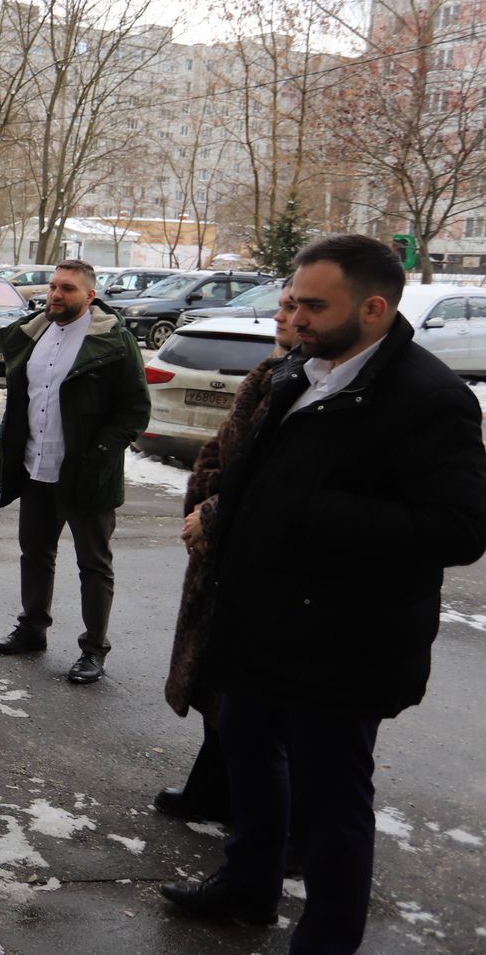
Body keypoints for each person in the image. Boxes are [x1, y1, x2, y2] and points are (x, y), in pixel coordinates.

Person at [161, 234, 486, 953]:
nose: (294, 317)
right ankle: (248, 885)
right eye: (294, 301)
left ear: (373, 308)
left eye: (314, 304)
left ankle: (327, 936)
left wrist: (315, 508)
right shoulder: (299, 373)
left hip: (346, 645)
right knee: (246, 762)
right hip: (257, 627)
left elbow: (461, 528)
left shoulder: (431, 399)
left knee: (334, 802)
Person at [155, 281, 297, 823]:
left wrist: (213, 512)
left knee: (255, 699)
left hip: (260, 558)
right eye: (284, 305)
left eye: (302, 306)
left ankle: (285, 828)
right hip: (226, 554)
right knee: (220, 680)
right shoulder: (273, 370)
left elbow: (270, 474)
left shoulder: (309, 380)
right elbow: (224, 448)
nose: (286, 316)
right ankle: (213, 788)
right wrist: (206, 496)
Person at [0, 260, 149, 684]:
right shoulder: (33, 333)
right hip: (36, 467)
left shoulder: (112, 341)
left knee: (93, 564)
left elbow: (134, 409)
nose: (56, 295)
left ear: (89, 296)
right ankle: (32, 629)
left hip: (86, 473)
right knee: (35, 554)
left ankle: (94, 649)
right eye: (54, 287)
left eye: (69, 289)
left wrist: (97, 454)